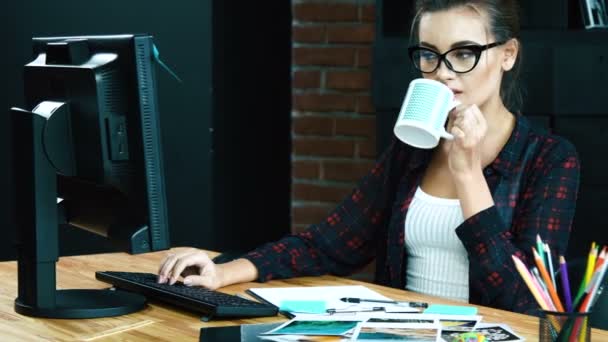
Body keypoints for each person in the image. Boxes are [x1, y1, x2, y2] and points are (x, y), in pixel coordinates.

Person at [157, 0, 580, 314]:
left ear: (507, 55)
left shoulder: (548, 159)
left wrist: (467, 172)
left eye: (465, 53)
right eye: (429, 54)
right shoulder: (414, 148)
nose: (443, 72)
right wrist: (222, 271)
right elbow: (330, 244)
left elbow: (524, 301)